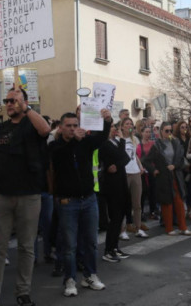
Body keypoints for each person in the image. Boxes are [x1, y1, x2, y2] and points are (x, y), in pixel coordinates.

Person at [0, 89, 50, 306]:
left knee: (27, 247)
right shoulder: (0, 130)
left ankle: (23, 293)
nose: (9, 104)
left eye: (14, 100)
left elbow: (45, 130)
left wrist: (26, 109)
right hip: (3, 196)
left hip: (29, 195)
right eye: (7, 101)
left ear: (24, 102)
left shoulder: (33, 123)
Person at [49, 109, 112, 297]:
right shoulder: (55, 146)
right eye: (68, 126)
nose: (72, 129)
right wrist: (74, 140)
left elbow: (101, 138)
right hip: (68, 202)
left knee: (91, 242)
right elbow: (61, 158)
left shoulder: (85, 142)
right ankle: (69, 279)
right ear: (60, 128)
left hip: (89, 199)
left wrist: (107, 121)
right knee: (70, 245)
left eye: (75, 125)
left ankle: (90, 275)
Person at [144, 122, 191, 236]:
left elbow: (181, 159)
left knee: (179, 201)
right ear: (161, 131)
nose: (169, 133)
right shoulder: (157, 145)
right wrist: (154, 170)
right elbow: (146, 161)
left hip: (176, 175)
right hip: (164, 177)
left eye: (170, 130)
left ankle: (183, 227)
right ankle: (169, 228)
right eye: (166, 131)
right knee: (167, 203)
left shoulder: (176, 143)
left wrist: (174, 166)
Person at [97, 122, 131, 262]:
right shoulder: (105, 144)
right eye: (112, 128)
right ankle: (108, 250)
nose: (115, 130)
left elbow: (126, 158)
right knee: (115, 217)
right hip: (111, 185)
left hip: (121, 181)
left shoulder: (114, 143)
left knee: (120, 215)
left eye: (115, 128)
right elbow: (122, 157)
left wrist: (117, 165)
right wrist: (122, 140)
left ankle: (115, 247)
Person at [119, 118, 148, 239]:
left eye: (131, 124)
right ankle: (122, 230)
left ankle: (138, 228)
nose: (129, 126)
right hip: (124, 173)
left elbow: (134, 154)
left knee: (137, 203)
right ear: (122, 126)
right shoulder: (118, 139)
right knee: (123, 203)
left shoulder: (134, 139)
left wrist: (140, 166)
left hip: (135, 172)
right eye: (127, 124)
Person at [173, 121, 191, 219]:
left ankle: (190, 210)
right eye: (182, 127)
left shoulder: (190, 139)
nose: (184, 129)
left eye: (185, 127)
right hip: (181, 167)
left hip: (190, 166)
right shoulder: (176, 140)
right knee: (182, 189)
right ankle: (183, 209)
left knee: (190, 189)